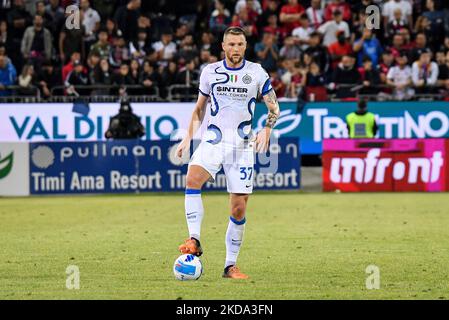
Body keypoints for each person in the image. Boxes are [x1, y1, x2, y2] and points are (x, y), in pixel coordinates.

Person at [175, 26, 280, 279]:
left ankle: (229, 266)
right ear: (223, 46)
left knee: (238, 209)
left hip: (242, 145)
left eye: (240, 44)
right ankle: (194, 239)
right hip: (214, 140)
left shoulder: (256, 72)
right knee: (192, 179)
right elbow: (200, 109)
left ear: (245, 46)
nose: (235, 49)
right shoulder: (210, 72)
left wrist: (267, 128)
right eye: (231, 44)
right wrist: (188, 137)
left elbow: (273, 106)